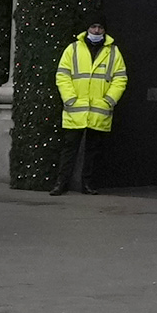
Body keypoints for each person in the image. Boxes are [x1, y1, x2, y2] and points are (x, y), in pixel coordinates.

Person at [52, 18, 129, 190]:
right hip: (76, 109)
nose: (96, 30)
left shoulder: (113, 52)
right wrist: (70, 99)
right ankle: (61, 183)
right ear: (87, 29)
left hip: (98, 109)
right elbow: (62, 75)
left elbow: (120, 78)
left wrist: (109, 101)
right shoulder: (73, 49)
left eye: (100, 27)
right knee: (69, 149)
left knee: (93, 151)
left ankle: (87, 184)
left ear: (104, 30)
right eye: (93, 27)